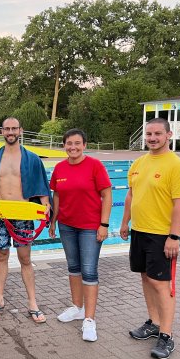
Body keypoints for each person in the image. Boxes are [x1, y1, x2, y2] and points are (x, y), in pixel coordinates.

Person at [119, 118, 180, 359]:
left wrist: (174, 236)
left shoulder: (176, 166)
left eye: (157, 134)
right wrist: (124, 222)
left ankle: (166, 335)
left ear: (168, 135)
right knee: (146, 277)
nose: (152, 138)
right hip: (140, 231)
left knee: (162, 284)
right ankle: (153, 322)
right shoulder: (139, 163)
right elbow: (131, 195)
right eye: (149, 134)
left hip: (163, 235)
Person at [0, 117, 50, 323]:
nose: (10, 132)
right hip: (0, 214)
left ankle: (32, 302)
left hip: (22, 214)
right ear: (2, 131)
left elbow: (41, 186)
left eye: (14, 128)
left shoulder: (32, 159)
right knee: (1, 256)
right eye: (7, 129)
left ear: (20, 131)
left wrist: (46, 205)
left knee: (25, 259)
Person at [48, 128, 113, 342]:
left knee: (89, 271)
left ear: (84, 145)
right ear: (64, 145)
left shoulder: (95, 166)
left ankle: (89, 320)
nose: (73, 147)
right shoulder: (59, 168)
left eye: (77, 143)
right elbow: (56, 196)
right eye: (69, 143)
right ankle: (77, 307)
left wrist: (103, 224)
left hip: (89, 227)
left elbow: (107, 194)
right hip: (67, 225)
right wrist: (53, 221)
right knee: (73, 268)